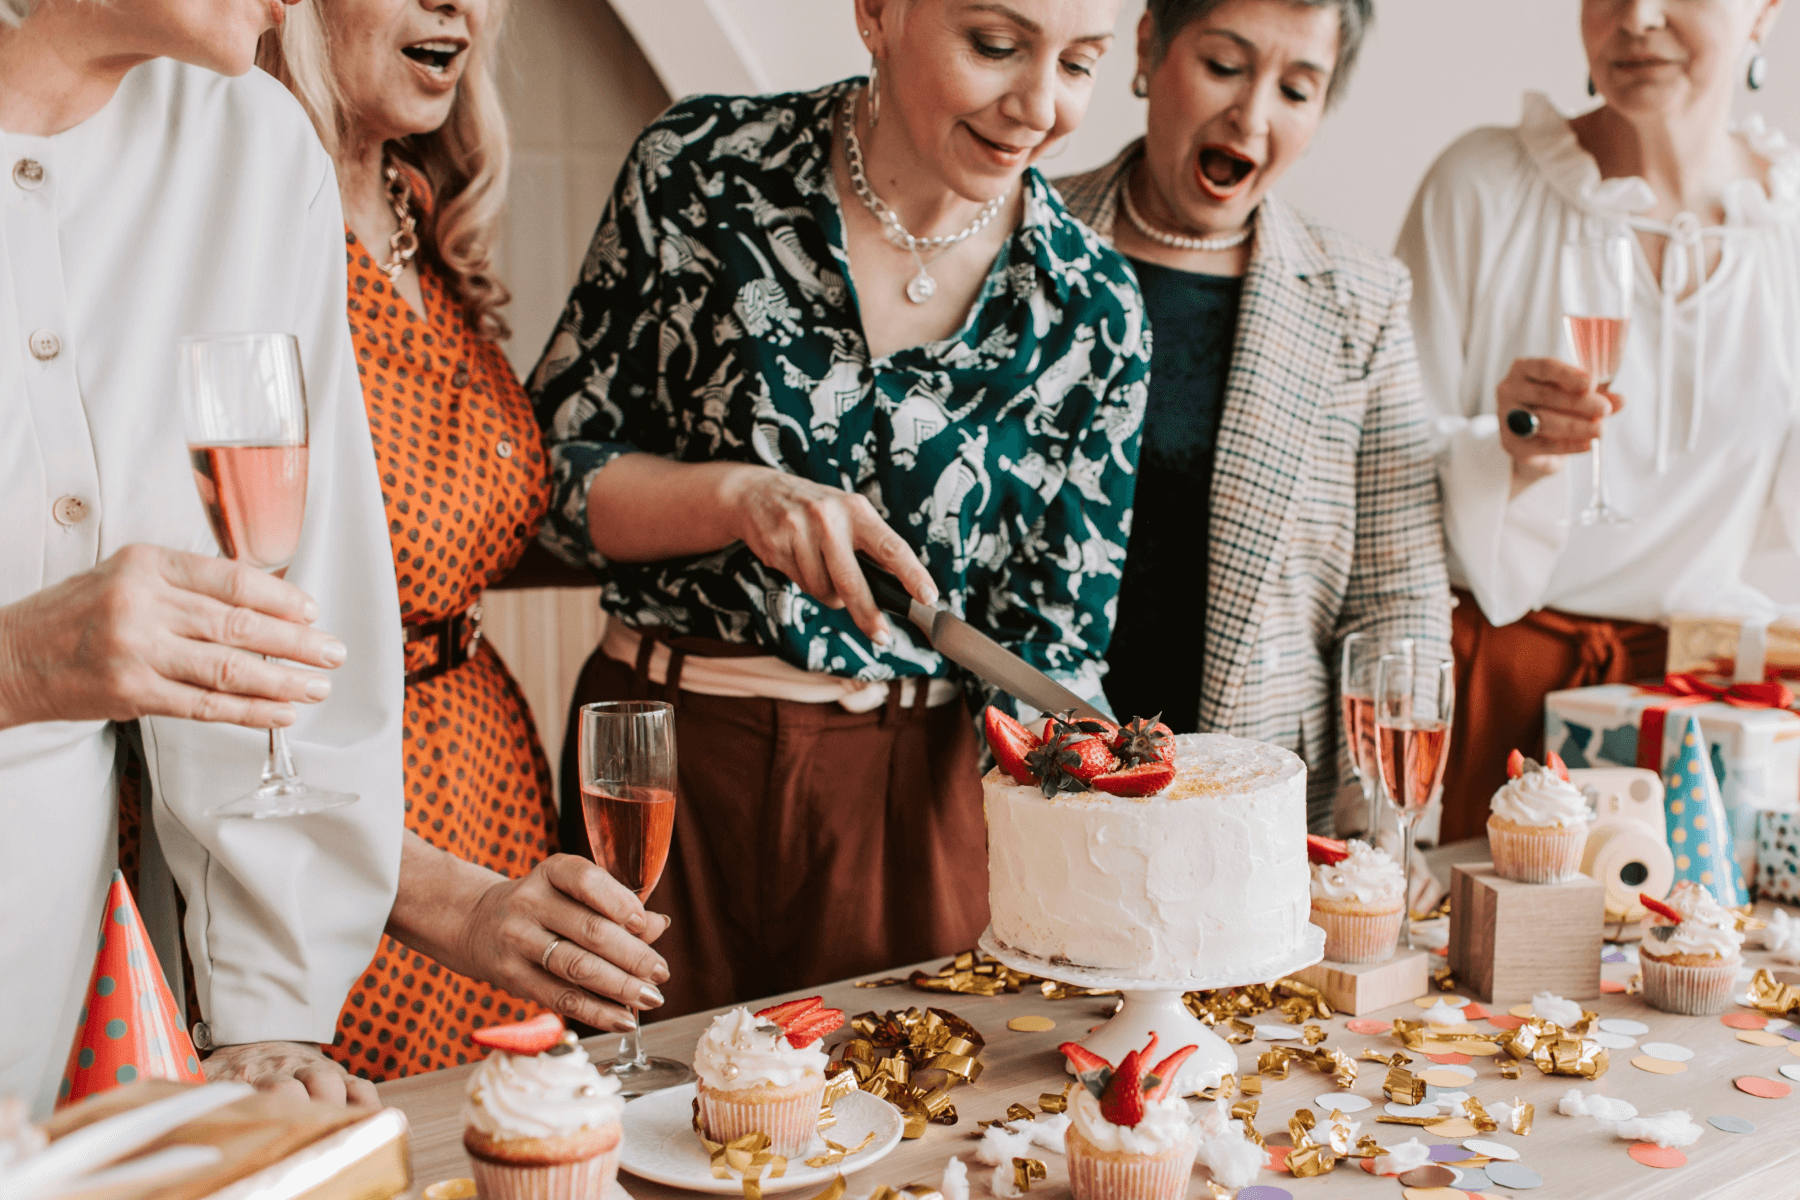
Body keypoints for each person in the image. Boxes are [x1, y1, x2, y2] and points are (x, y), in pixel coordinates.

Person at [529, 0, 1147, 1018]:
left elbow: (1057, 657)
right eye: (995, 46)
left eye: (1079, 64)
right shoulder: (697, 171)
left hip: (918, 804)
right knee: (639, 1133)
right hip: (667, 768)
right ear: (877, 12)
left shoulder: (1095, 309)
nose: (1039, 107)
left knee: (904, 1152)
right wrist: (739, 498)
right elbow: (548, 487)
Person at [256, 0, 672, 1079]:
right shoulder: (241, 223)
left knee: (519, 1138)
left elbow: (454, 523)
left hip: (488, 775)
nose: (458, 5)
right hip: (331, 800)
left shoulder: (411, 203)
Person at [0, 0, 404, 1112]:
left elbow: (289, 605)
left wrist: (269, 1011)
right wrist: (21, 664)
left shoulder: (252, 147)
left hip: (63, 1007)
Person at [1396, 0, 1797, 842]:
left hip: (1698, 706)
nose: (1637, 16)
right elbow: (1379, 464)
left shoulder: (1786, 234)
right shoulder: (1484, 186)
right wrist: (1510, 451)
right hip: (1497, 685)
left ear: (1763, 14)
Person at [1055, 0, 1452, 832]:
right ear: (1147, 50)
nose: (1252, 115)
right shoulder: (1025, 238)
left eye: (1297, 89)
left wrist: (1382, 833)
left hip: (1253, 816)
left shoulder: (1363, 301)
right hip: (1029, 780)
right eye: (1224, 67)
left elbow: (1396, 602)